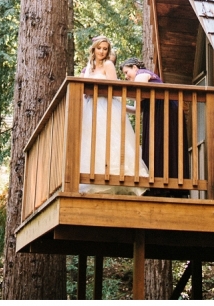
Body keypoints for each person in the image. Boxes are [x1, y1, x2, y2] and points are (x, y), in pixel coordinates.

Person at [79, 36, 147, 194]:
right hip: (91, 107)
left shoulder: (108, 65)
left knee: (111, 139)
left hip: (107, 105)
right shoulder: (89, 67)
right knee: (94, 141)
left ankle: (119, 176)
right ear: (93, 49)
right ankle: (95, 178)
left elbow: (114, 87)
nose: (102, 52)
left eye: (105, 49)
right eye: (99, 48)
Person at [121, 58, 189, 194]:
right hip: (155, 114)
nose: (126, 76)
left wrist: (120, 93)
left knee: (164, 145)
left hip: (164, 111)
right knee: (157, 147)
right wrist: (119, 105)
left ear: (135, 67)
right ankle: (159, 186)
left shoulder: (142, 74)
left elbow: (138, 95)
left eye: (126, 72)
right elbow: (137, 109)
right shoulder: (139, 79)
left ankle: (169, 188)